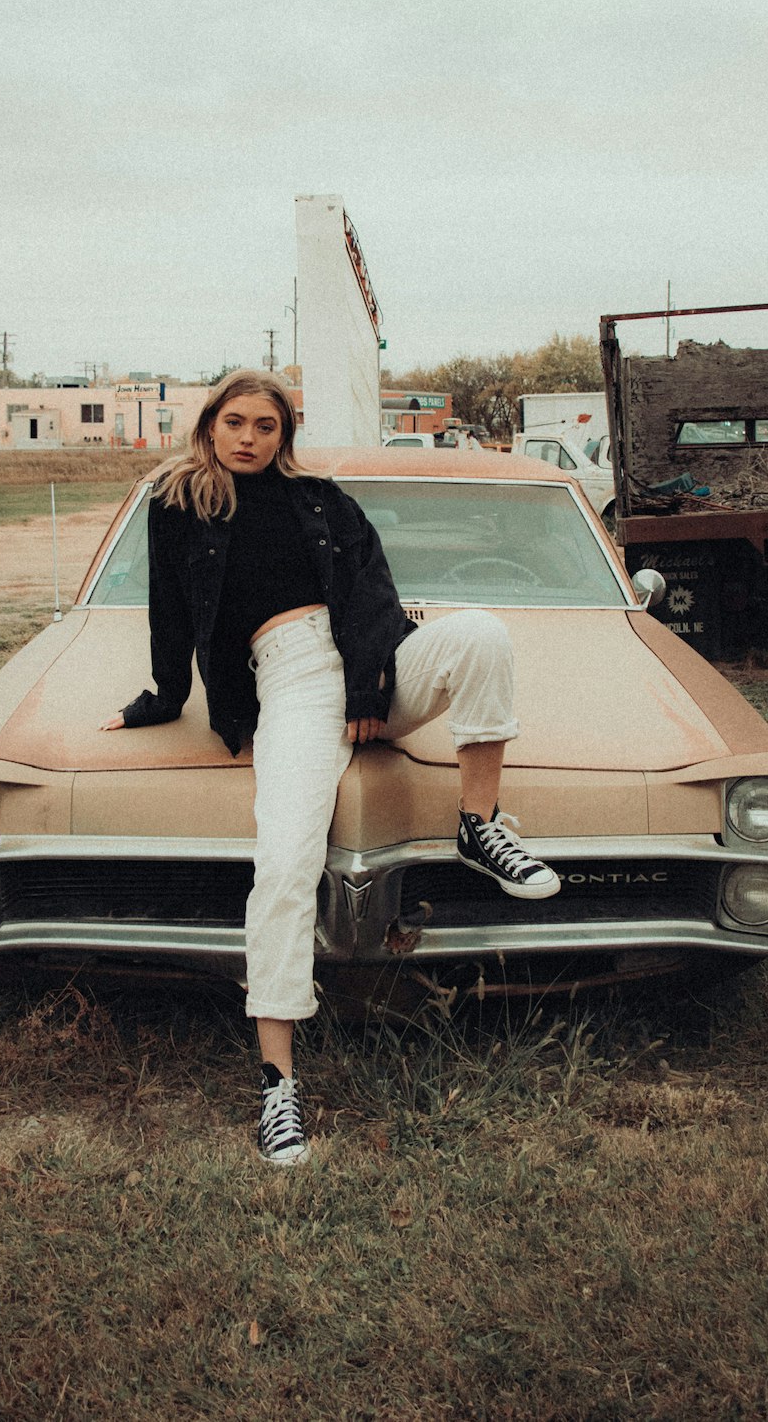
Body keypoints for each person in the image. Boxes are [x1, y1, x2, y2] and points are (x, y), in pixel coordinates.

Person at [102, 369, 559, 1167]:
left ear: (285, 434)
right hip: (288, 681)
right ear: (210, 424)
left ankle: (479, 826)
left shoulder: (321, 501)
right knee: (283, 865)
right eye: (235, 421)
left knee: (483, 632)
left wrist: (369, 683)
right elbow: (170, 618)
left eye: (267, 426)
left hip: (370, 661)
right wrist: (160, 696)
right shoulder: (177, 506)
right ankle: (279, 1084)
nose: (249, 437)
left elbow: (372, 596)